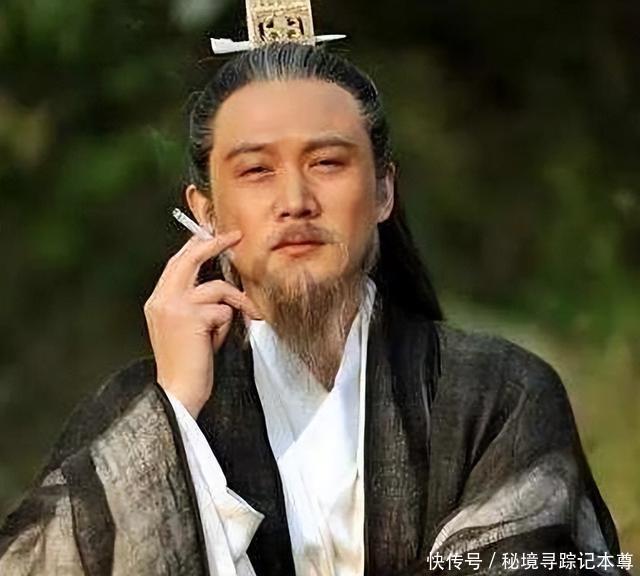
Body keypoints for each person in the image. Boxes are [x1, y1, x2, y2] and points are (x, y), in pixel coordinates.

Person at [0, 40, 628, 576]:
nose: (295, 200)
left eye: (327, 162)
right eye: (256, 171)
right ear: (205, 212)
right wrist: (175, 415)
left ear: (382, 191)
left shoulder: (495, 393)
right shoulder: (137, 411)